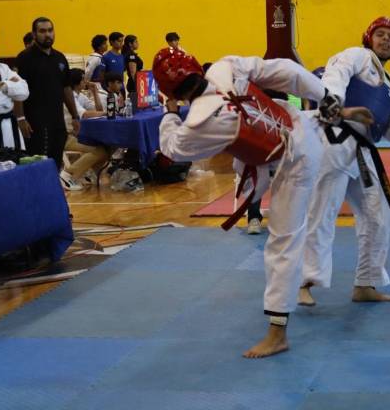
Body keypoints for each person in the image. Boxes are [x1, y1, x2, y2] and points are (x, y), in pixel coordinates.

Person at [154, 47, 370, 359]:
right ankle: (329, 116)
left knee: (283, 242)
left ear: (170, 91)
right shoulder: (227, 67)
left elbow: (173, 148)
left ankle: (277, 333)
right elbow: (286, 70)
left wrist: (170, 113)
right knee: (279, 131)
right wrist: (325, 97)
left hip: (294, 162)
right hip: (297, 126)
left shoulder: (201, 123)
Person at [300, 16, 390, 307]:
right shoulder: (357, 56)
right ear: (369, 38)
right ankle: (303, 281)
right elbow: (336, 74)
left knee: (378, 214)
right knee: (322, 211)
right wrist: (334, 102)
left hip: (364, 152)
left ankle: (365, 282)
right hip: (335, 140)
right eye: (380, 34)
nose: (385, 40)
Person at [15, 17, 81, 167]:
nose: (47, 34)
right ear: (34, 34)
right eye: (42, 31)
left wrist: (75, 116)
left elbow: (66, 88)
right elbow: (16, 91)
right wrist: (20, 118)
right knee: (38, 166)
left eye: (50, 30)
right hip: (35, 123)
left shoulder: (60, 58)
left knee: (55, 164)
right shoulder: (24, 58)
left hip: (57, 122)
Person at [60, 69, 108, 191]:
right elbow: (85, 114)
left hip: (80, 135)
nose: (86, 82)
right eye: (83, 79)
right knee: (100, 150)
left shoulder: (80, 96)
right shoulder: (69, 97)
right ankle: (67, 174)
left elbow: (97, 109)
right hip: (67, 137)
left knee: (106, 146)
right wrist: (107, 114)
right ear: (76, 82)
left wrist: (95, 92)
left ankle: (86, 174)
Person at [122, 35, 142, 105]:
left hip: (134, 83)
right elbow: (133, 72)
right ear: (130, 44)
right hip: (134, 84)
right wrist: (138, 86)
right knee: (135, 105)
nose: (138, 43)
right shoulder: (131, 55)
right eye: (136, 42)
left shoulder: (130, 54)